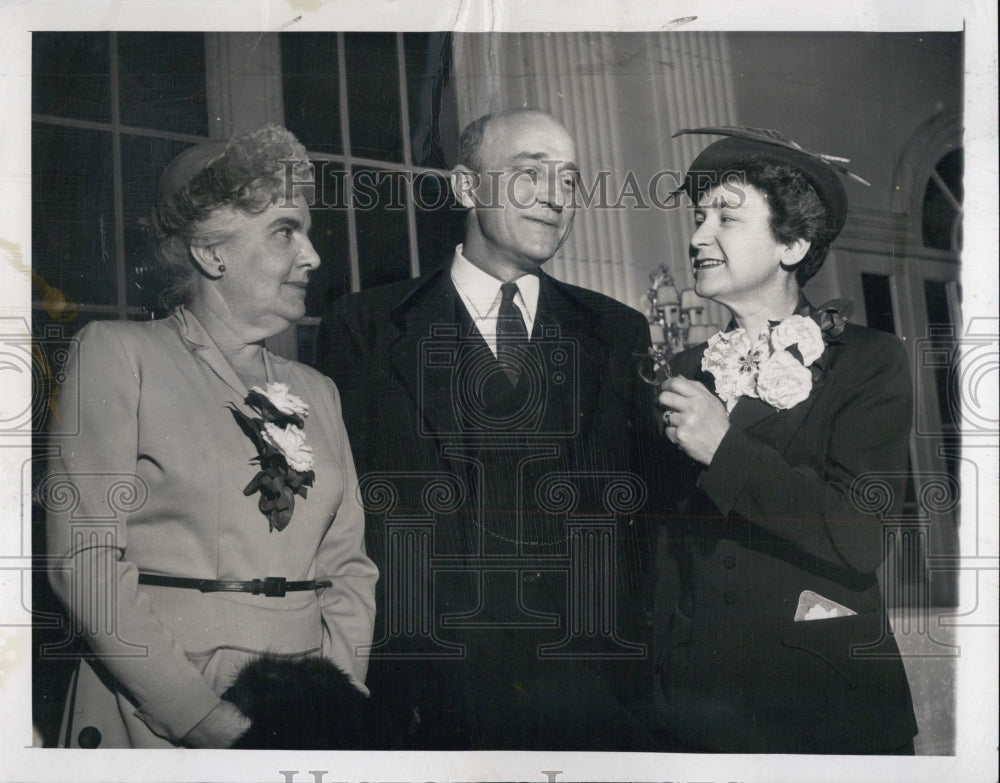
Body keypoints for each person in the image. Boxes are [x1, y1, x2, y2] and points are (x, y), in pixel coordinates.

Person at [316, 109, 661, 750]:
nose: (556, 198)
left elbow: (646, 524)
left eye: (569, 180)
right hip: (427, 698)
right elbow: (343, 524)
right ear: (467, 188)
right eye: (531, 174)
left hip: (588, 696)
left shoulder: (618, 332)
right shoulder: (365, 326)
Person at [44, 124, 378, 748]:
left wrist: (343, 690)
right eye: (286, 231)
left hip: (309, 709)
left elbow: (348, 566)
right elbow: (84, 563)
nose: (313, 257)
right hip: (163, 709)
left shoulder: (319, 391)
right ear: (211, 253)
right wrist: (203, 720)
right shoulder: (119, 355)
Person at [651, 127, 919, 754]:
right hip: (698, 715)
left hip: (827, 707)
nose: (697, 237)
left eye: (726, 217)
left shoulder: (868, 362)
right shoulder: (686, 371)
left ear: (793, 244)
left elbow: (862, 536)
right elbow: (669, 550)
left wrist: (726, 448)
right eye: (697, 218)